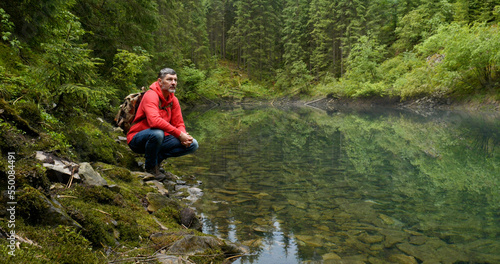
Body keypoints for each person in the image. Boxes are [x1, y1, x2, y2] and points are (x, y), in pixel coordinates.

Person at [127, 68, 198, 178]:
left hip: (159, 139)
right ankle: (150, 168)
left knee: (193, 144)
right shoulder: (151, 95)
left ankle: (157, 159)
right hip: (138, 139)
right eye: (169, 79)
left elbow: (179, 123)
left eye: (175, 80)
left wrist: (184, 136)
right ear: (160, 81)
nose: (173, 83)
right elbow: (154, 122)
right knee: (157, 133)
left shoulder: (173, 100)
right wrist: (179, 135)